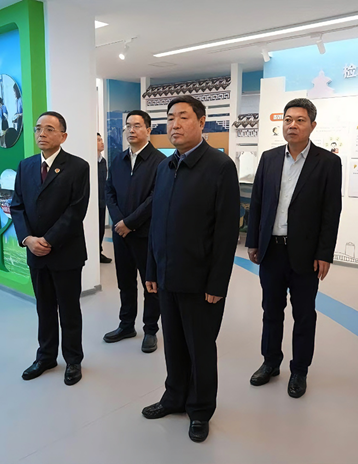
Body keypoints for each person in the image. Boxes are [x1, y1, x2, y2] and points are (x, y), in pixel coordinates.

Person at [142, 96, 240, 443]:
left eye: (183, 117)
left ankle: (200, 409)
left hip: (200, 282)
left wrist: (217, 283)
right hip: (167, 276)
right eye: (170, 118)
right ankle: (174, 397)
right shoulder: (165, 166)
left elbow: (226, 232)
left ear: (201, 121)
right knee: (173, 344)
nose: (175, 124)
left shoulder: (220, 166)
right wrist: (151, 270)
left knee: (200, 348)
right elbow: (156, 224)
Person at [246, 98, 342, 399]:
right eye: (288, 119)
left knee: (304, 314)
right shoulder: (269, 158)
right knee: (271, 311)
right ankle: (270, 362)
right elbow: (257, 202)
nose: (292, 125)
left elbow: (331, 211)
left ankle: (299, 370)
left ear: (312, 125)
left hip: (306, 253)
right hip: (272, 250)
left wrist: (324, 253)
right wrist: (253, 240)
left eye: (300, 120)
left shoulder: (328, 162)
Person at [10, 111, 90, 386]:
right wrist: (28, 240)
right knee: (44, 308)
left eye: (49, 129)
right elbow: (17, 205)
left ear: (63, 136)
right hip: (35, 252)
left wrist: (49, 240)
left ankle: (73, 360)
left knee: (69, 310)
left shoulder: (78, 167)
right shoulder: (26, 166)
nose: (41, 134)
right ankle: (45, 357)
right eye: (38, 128)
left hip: (66, 252)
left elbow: (76, 211)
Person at [103, 110, 164, 353]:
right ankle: (126, 324)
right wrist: (119, 221)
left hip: (145, 234)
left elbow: (155, 198)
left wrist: (130, 222)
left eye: (137, 125)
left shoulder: (160, 161)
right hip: (121, 234)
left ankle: (150, 330)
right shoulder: (118, 160)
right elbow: (109, 191)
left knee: (150, 284)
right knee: (125, 282)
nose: (131, 130)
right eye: (128, 125)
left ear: (148, 130)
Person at [97, 133, 112, 264]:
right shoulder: (90, 161)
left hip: (102, 200)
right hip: (93, 201)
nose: (101, 142)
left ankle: (99, 252)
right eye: (98, 140)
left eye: (101, 139)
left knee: (101, 228)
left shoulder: (103, 161)